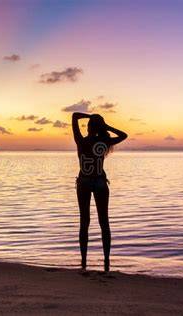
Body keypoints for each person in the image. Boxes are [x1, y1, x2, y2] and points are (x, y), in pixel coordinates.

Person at [72, 112, 127, 272]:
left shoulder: (81, 141)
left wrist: (91, 116)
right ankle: (106, 262)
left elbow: (75, 116)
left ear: (89, 127)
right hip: (99, 182)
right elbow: (124, 135)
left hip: (84, 181)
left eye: (90, 124)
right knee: (104, 222)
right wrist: (105, 125)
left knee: (85, 222)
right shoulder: (103, 141)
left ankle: (83, 262)